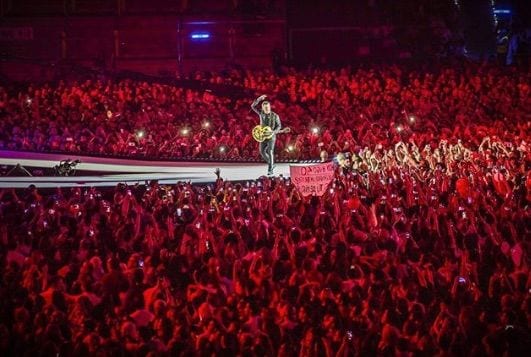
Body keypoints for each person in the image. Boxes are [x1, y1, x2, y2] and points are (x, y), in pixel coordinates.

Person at [251, 95, 282, 176]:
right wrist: (259, 99)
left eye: (268, 107)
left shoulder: (275, 116)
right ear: (263, 108)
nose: (266, 109)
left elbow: (279, 126)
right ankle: (271, 163)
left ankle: (270, 169)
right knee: (262, 151)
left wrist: (274, 132)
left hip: (271, 136)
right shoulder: (261, 113)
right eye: (265, 108)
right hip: (263, 136)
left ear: (270, 107)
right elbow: (253, 106)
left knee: (270, 151)